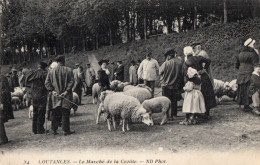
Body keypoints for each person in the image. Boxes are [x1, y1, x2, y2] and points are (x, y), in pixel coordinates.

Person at [45, 55, 75, 136]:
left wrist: (53, 91)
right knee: (65, 112)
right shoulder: (69, 70)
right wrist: (66, 91)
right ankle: (66, 130)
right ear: (64, 61)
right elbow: (71, 82)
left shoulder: (51, 71)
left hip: (55, 96)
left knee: (55, 112)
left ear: (57, 62)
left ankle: (54, 130)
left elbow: (47, 83)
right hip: (66, 95)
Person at [184, 46, 216, 119]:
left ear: (185, 54)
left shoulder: (187, 62)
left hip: (196, 80)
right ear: (192, 52)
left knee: (196, 97)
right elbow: (208, 60)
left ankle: (198, 113)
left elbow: (186, 74)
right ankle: (206, 113)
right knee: (206, 95)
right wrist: (204, 69)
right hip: (204, 77)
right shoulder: (198, 57)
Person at [236, 38, 259, 112]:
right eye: (254, 44)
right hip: (249, 71)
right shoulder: (253, 53)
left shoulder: (240, 53)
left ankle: (245, 105)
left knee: (242, 88)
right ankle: (250, 105)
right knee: (249, 87)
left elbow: (237, 64)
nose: (255, 45)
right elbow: (256, 64)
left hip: (241, 71)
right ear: (251, 45)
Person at [159, 49, 184, 119]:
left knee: (166, 101)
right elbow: (182, 73)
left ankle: (167, 116)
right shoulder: (179, 63)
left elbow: (160, 72)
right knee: (174, 101)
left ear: (169, 56)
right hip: (176, 85)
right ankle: (174, 115)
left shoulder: (166, 63)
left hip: (166, 85)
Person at [25, 62, 48, 134]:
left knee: (35, 112)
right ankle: (40, 129)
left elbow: (26, 83)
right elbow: (47, 84)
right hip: (42, 94)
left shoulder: (32, 73)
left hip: (34, 95)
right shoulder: (44, 73)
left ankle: (34, 129)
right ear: (44, 67)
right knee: (41, 111)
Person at [0, 75, 14, 145]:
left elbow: (3, 91)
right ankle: (3, 138)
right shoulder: (3, 78)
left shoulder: (2, 78)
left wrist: (2, 102)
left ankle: (3, 139)